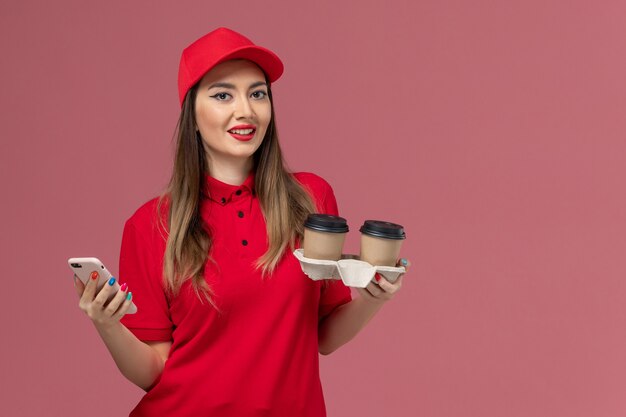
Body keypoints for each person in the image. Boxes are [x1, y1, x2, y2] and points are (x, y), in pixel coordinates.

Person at [73, 27, 410, 417]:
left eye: (257, 93)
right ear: (192, 115)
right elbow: (153, 372)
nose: (246, 110)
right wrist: (107, 323)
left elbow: (326, 336)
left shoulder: (311, 200)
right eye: (222, 95)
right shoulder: (151, 225)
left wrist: (374, 298)